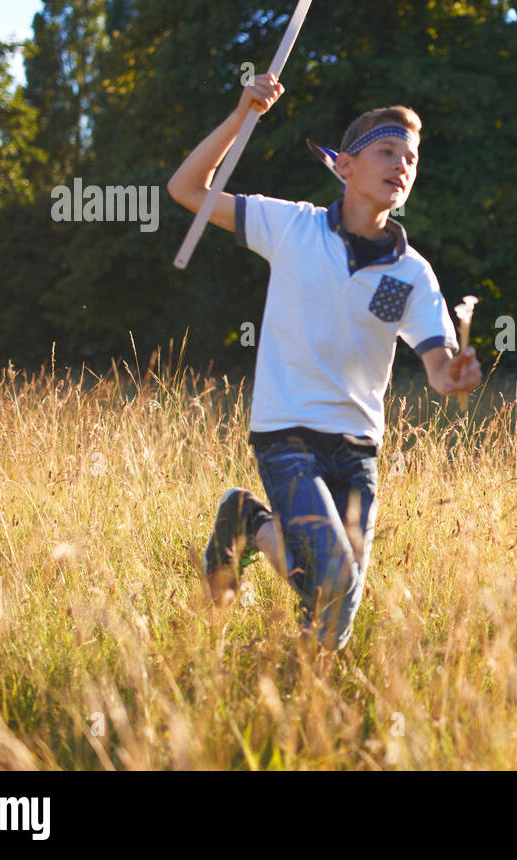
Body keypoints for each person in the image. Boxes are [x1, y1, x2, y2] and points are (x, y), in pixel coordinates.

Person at [167, 73, 481, 650]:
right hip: (287, 435)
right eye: (387, 151)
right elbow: (187, 188)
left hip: (358, 450)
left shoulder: (410, 273)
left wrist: (454, 374)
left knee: (329, 599)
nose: (401, 165)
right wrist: (243, 112)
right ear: (345, 166)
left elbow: (438, 366)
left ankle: (249, 524)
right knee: (336, 580)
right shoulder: (291, 227)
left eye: (410, 158)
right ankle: (294, 689)